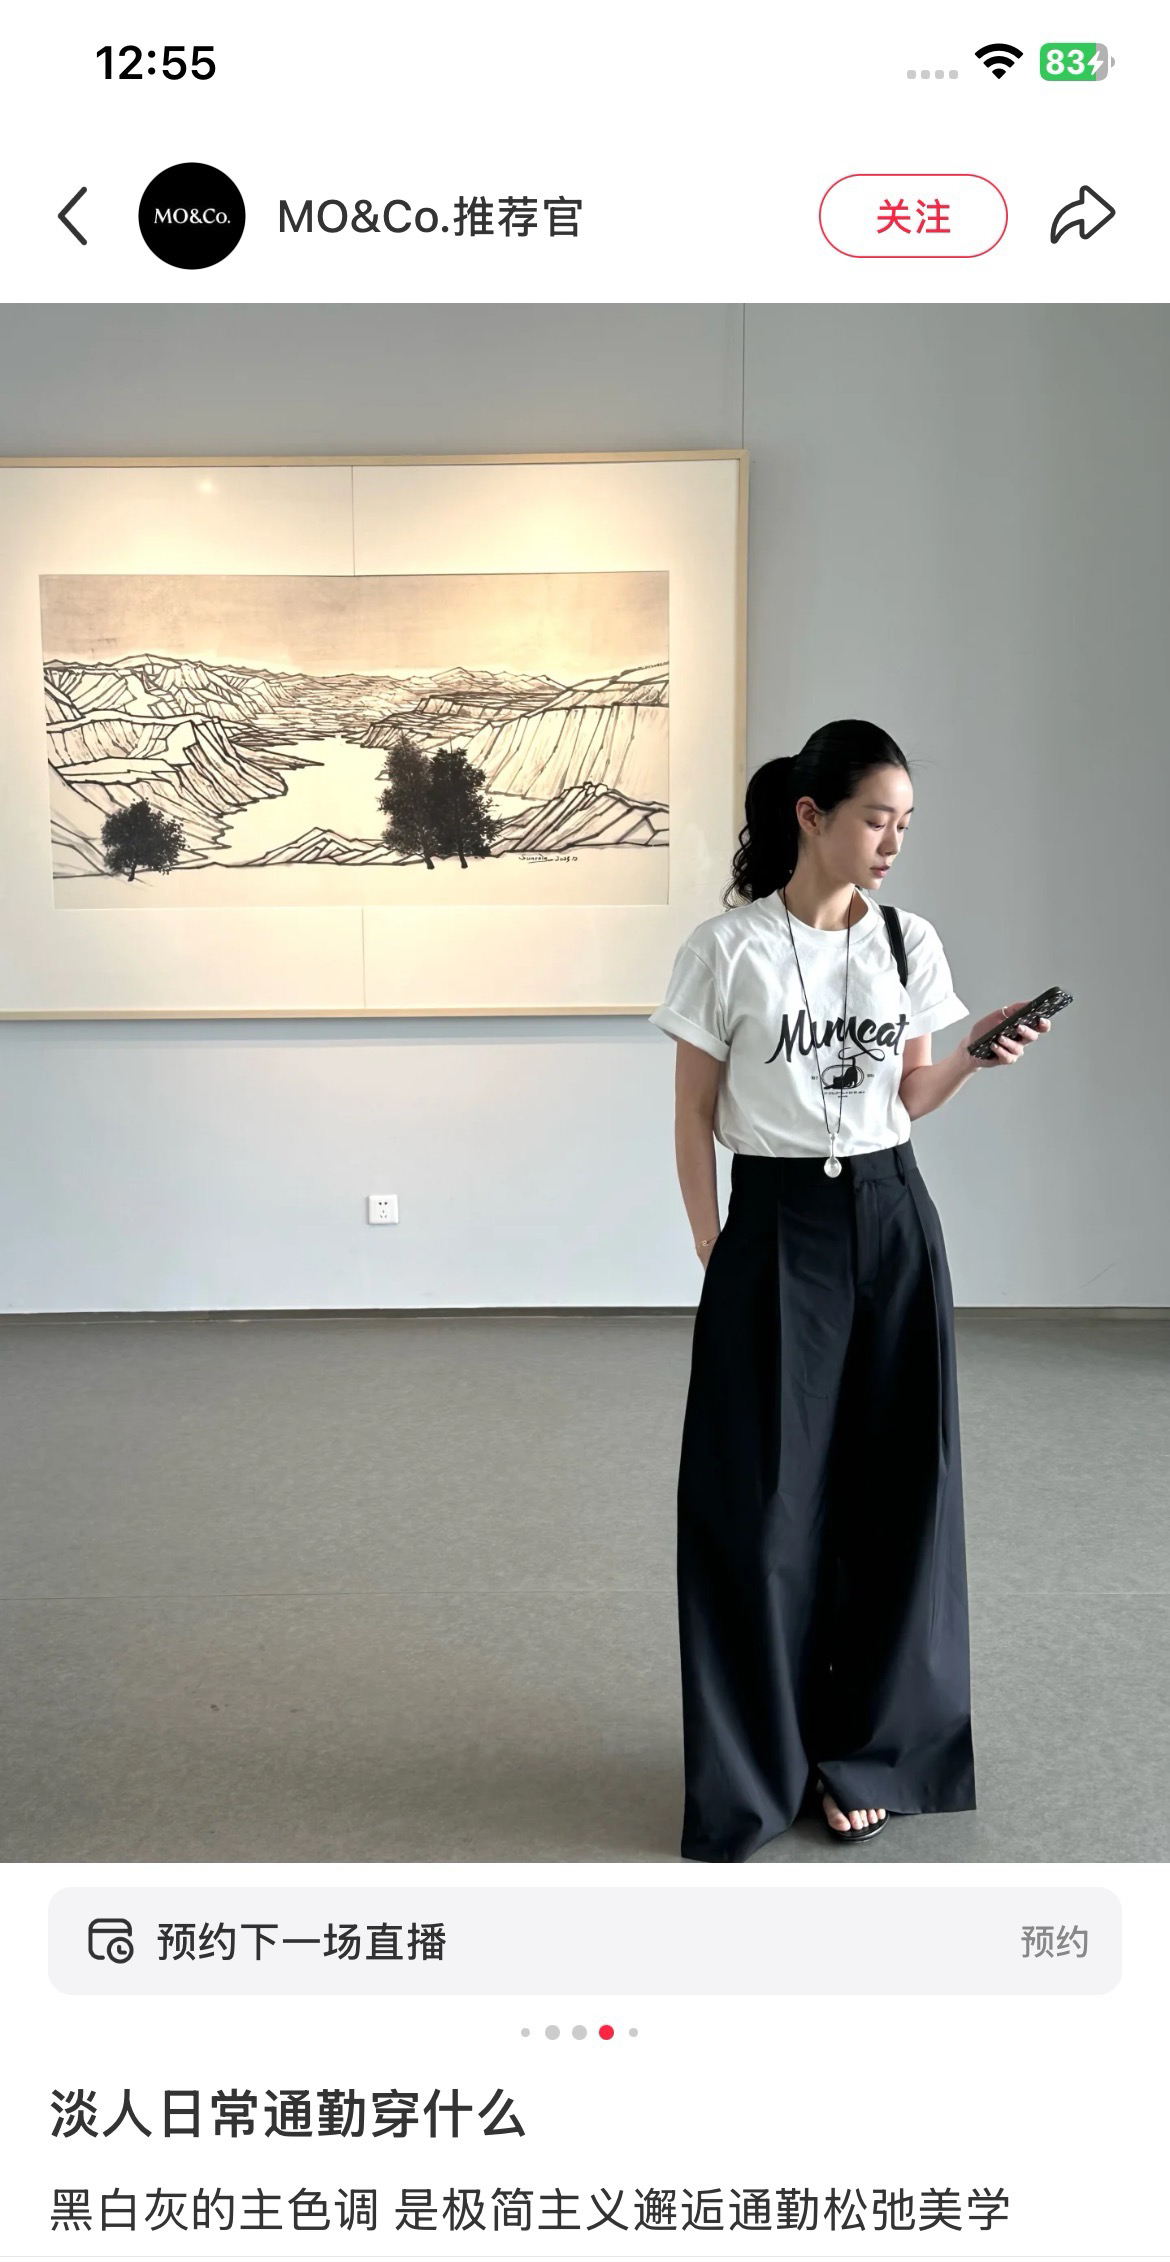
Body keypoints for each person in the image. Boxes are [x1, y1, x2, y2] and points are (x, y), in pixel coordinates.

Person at [649, 720, 1052, 1860]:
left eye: (906, 824)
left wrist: (972, 1053)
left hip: (892, 1218)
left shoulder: (909, 943)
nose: (894, 842)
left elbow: (908, 1098)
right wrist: (713, 1242)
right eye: (878, 818)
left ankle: (868, 1754)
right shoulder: (726, 949)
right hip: (777, 1225)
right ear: (811, 815)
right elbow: (690, 1112)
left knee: (897, 1493)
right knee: (764, 1505)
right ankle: (760, 1763)